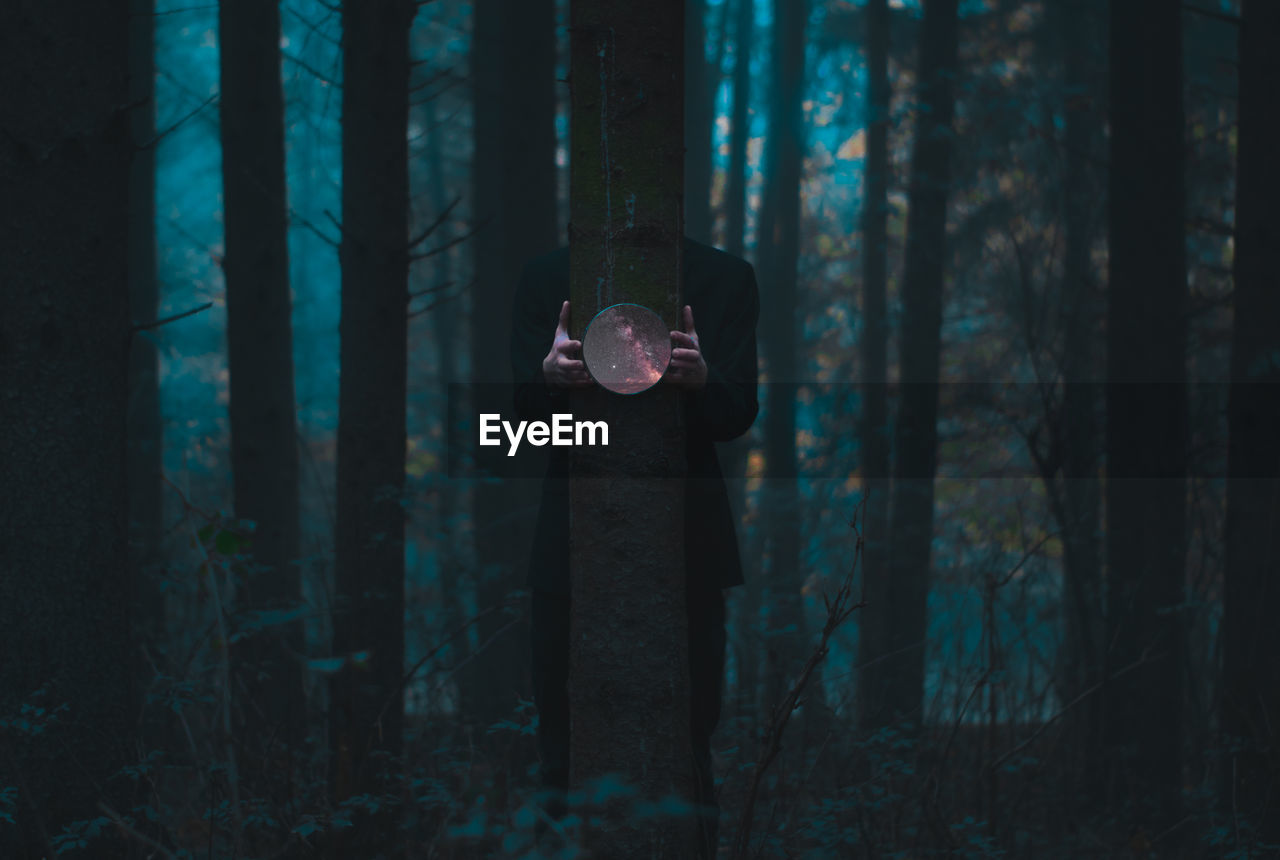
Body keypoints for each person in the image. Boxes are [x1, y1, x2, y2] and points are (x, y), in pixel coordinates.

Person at [508, 236, 759, 858]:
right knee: (560, 747)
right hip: (569, 547)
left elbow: (738, 414)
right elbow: (511, 430)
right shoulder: (546, 276)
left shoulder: (726, 279)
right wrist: (546, 383)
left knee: (690, 737)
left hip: (689, 547)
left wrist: (704, 382)